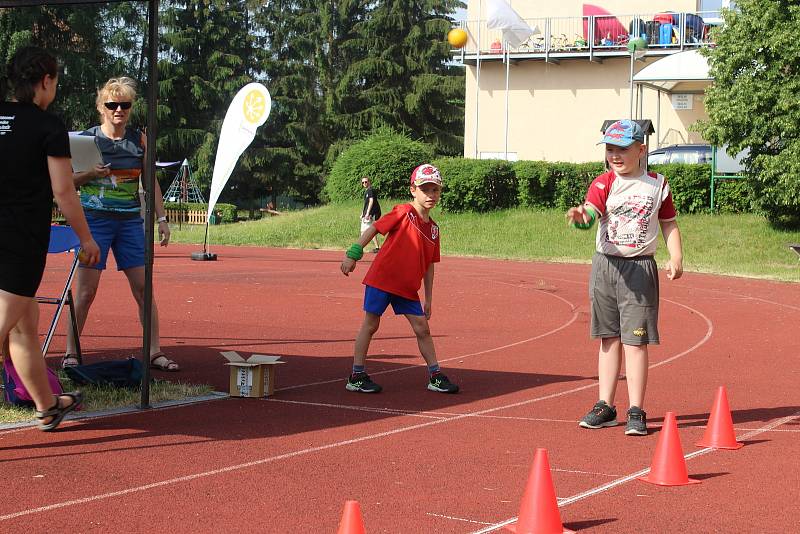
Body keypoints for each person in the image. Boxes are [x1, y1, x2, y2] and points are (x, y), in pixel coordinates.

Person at [0, 46, 101, 431]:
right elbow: (63, 191)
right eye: (55, 81)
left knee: (25, 326)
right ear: (45, 81)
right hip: (20, 241)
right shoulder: (48, 126)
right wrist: (86, 238)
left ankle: (46, 406)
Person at [566, 119, 683, 436]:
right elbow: (589, 214)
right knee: (609, 338)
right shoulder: (603, 183)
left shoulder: (657, 185)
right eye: (610, 149)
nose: (615, 155)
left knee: (636, 341)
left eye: (622, 149)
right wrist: (580, 218)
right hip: (606, 267)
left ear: (641, 149)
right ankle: (605, 405)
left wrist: (676, 257)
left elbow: (669, 223)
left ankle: (636, 409)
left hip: (639, 269)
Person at [64, 77, 179, 372]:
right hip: (95, 223)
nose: (119, 110)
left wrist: (162, 218)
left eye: (124, 105)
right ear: (102, 107)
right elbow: (66, 182)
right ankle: (71, 352)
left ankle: (154, 351)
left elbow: (149, 180)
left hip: (129, 222)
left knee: (144, 289)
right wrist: (90, 173)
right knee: (86, 292)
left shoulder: (138, 141)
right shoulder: (85, 140)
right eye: (113, 105)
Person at [340, 164, 458, 394]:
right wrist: (353, 254)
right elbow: (374, 228)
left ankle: (435, 375)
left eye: (435, 190)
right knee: (371, 324)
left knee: (422, 327)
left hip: (406, 288)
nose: (431, 195)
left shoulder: (433, 230)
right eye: (425, 189)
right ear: (413, 190)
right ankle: (356, 375)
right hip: (382, 279)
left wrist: (429, 299)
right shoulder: (403, 212)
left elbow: (429, 266)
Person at [360, 176, 382, 252]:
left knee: (363, 231)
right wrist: (362, 213)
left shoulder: (370, 190)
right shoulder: (367, 191)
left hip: (370, 214)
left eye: (366, 182)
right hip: (368, 214)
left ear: (369, 182)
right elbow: (365, 204)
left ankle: (359, 248)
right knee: (370, 231)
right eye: (363, 182)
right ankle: (377, 248)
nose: (364, 183)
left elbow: (371, 201)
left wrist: (367, 213)